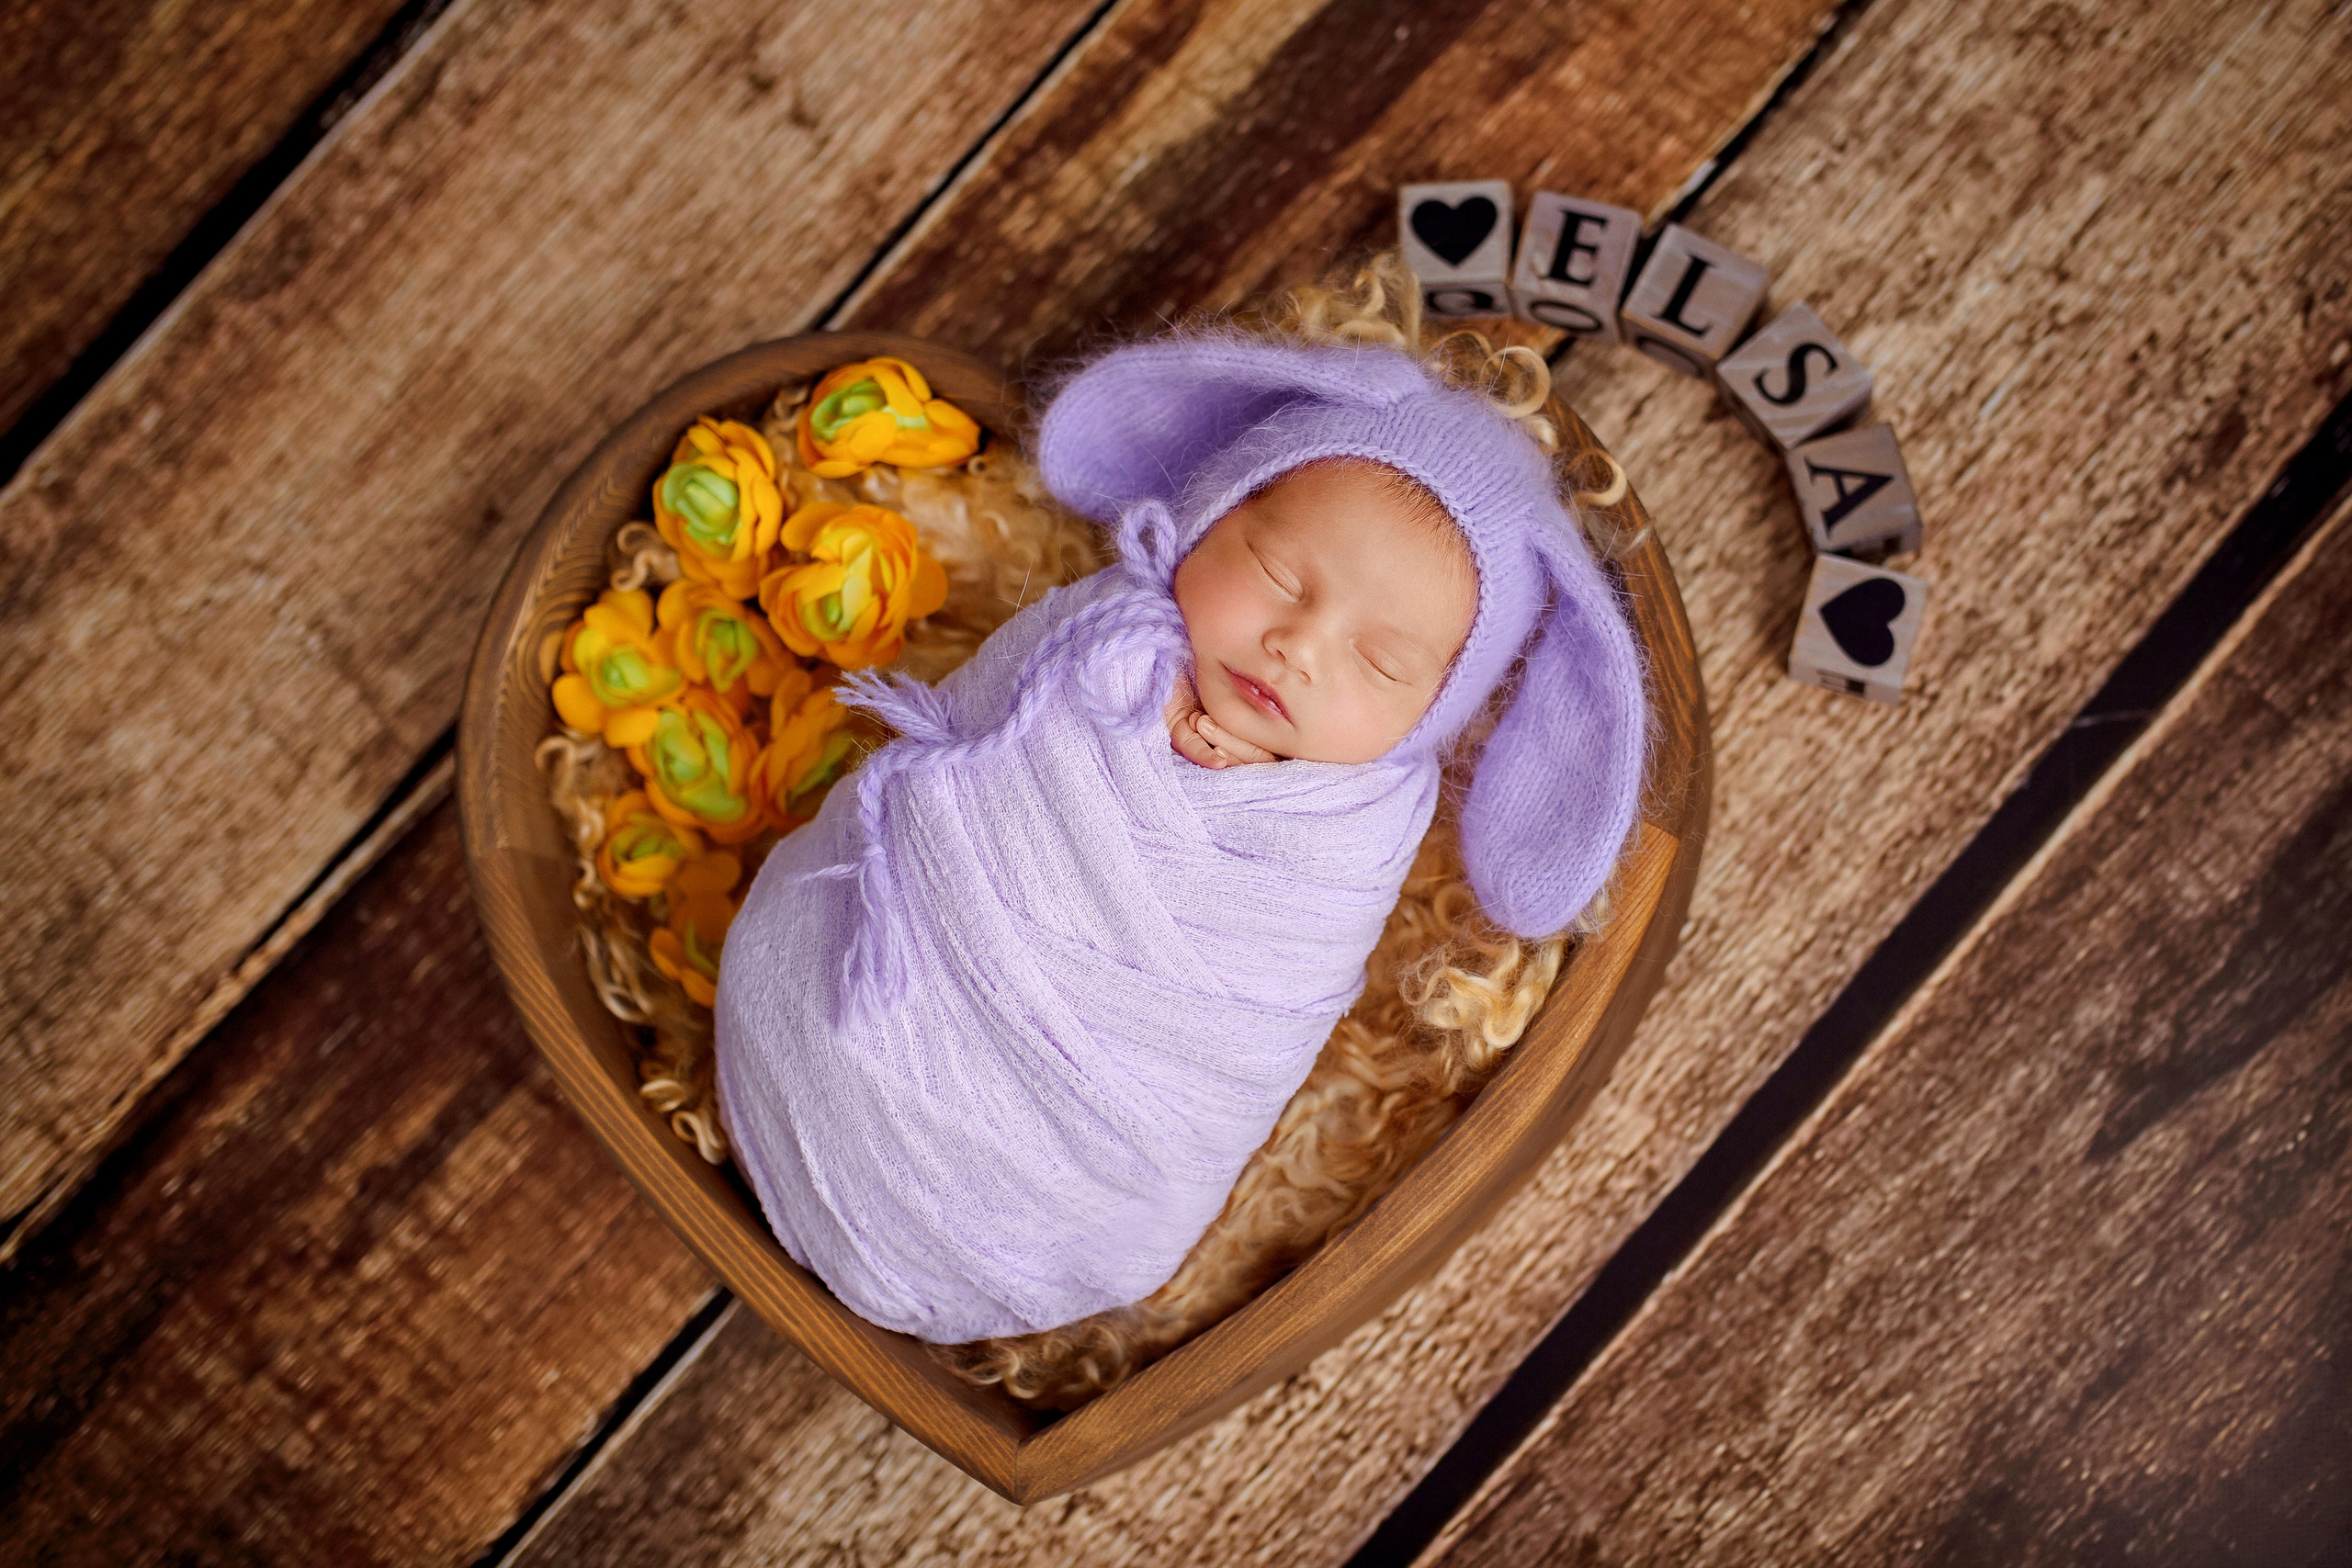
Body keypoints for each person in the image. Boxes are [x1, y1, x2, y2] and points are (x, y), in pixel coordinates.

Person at [712, 274, 1648, 1346]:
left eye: (1379, 661)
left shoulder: (1354, 831)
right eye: (1279, 573)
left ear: (1426, 720)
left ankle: (946, 1202)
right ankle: (820, 1073)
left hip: (1064, 1203)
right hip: (815, 1010)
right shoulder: (1103, 636)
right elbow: (993, 742)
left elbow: (1262, 990)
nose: (1300, 645)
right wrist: (1132, 736)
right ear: (1204, 520)